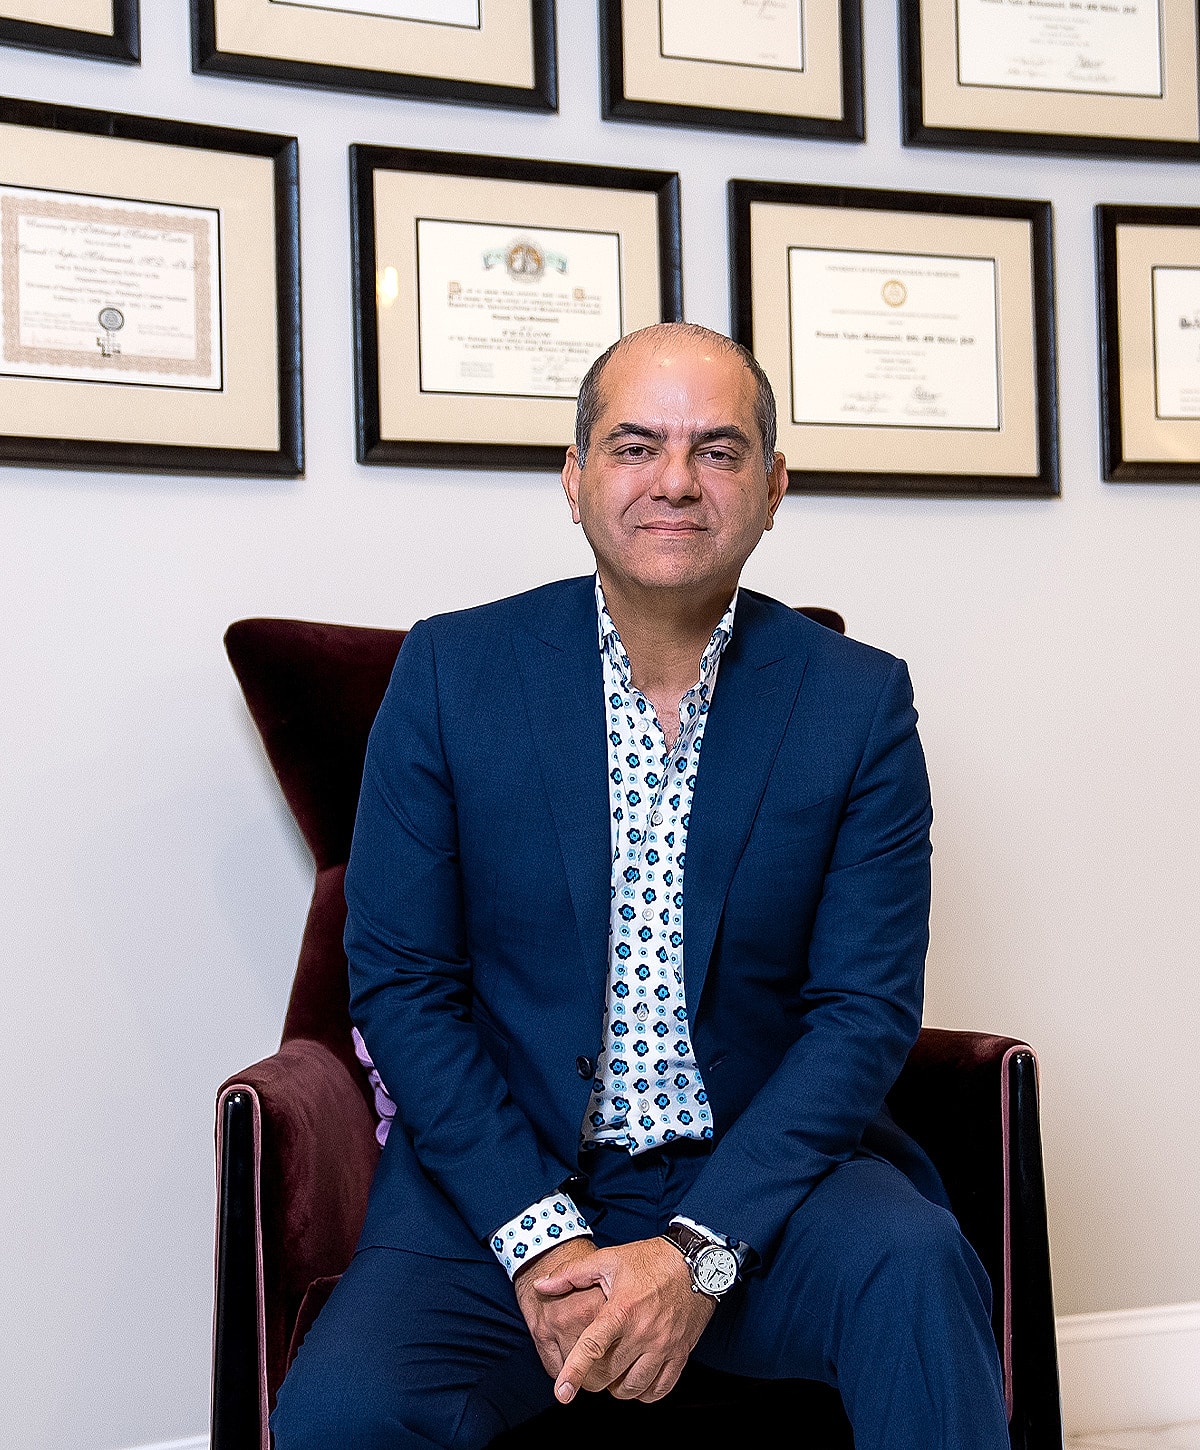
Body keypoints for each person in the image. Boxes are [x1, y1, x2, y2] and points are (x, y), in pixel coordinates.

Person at [270, 322, 1010, 1450]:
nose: (676, 480)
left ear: (773, 488)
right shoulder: (450, 673)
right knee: (342, 1411)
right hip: (498, 1180)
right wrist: (541, 1238)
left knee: (914, 1271)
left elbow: (861, 1012)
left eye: (718, 450)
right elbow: (403, 982)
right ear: (574, 481)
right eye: (634, 445)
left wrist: (698, 1248)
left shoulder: (857, 703)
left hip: (765, 1177)